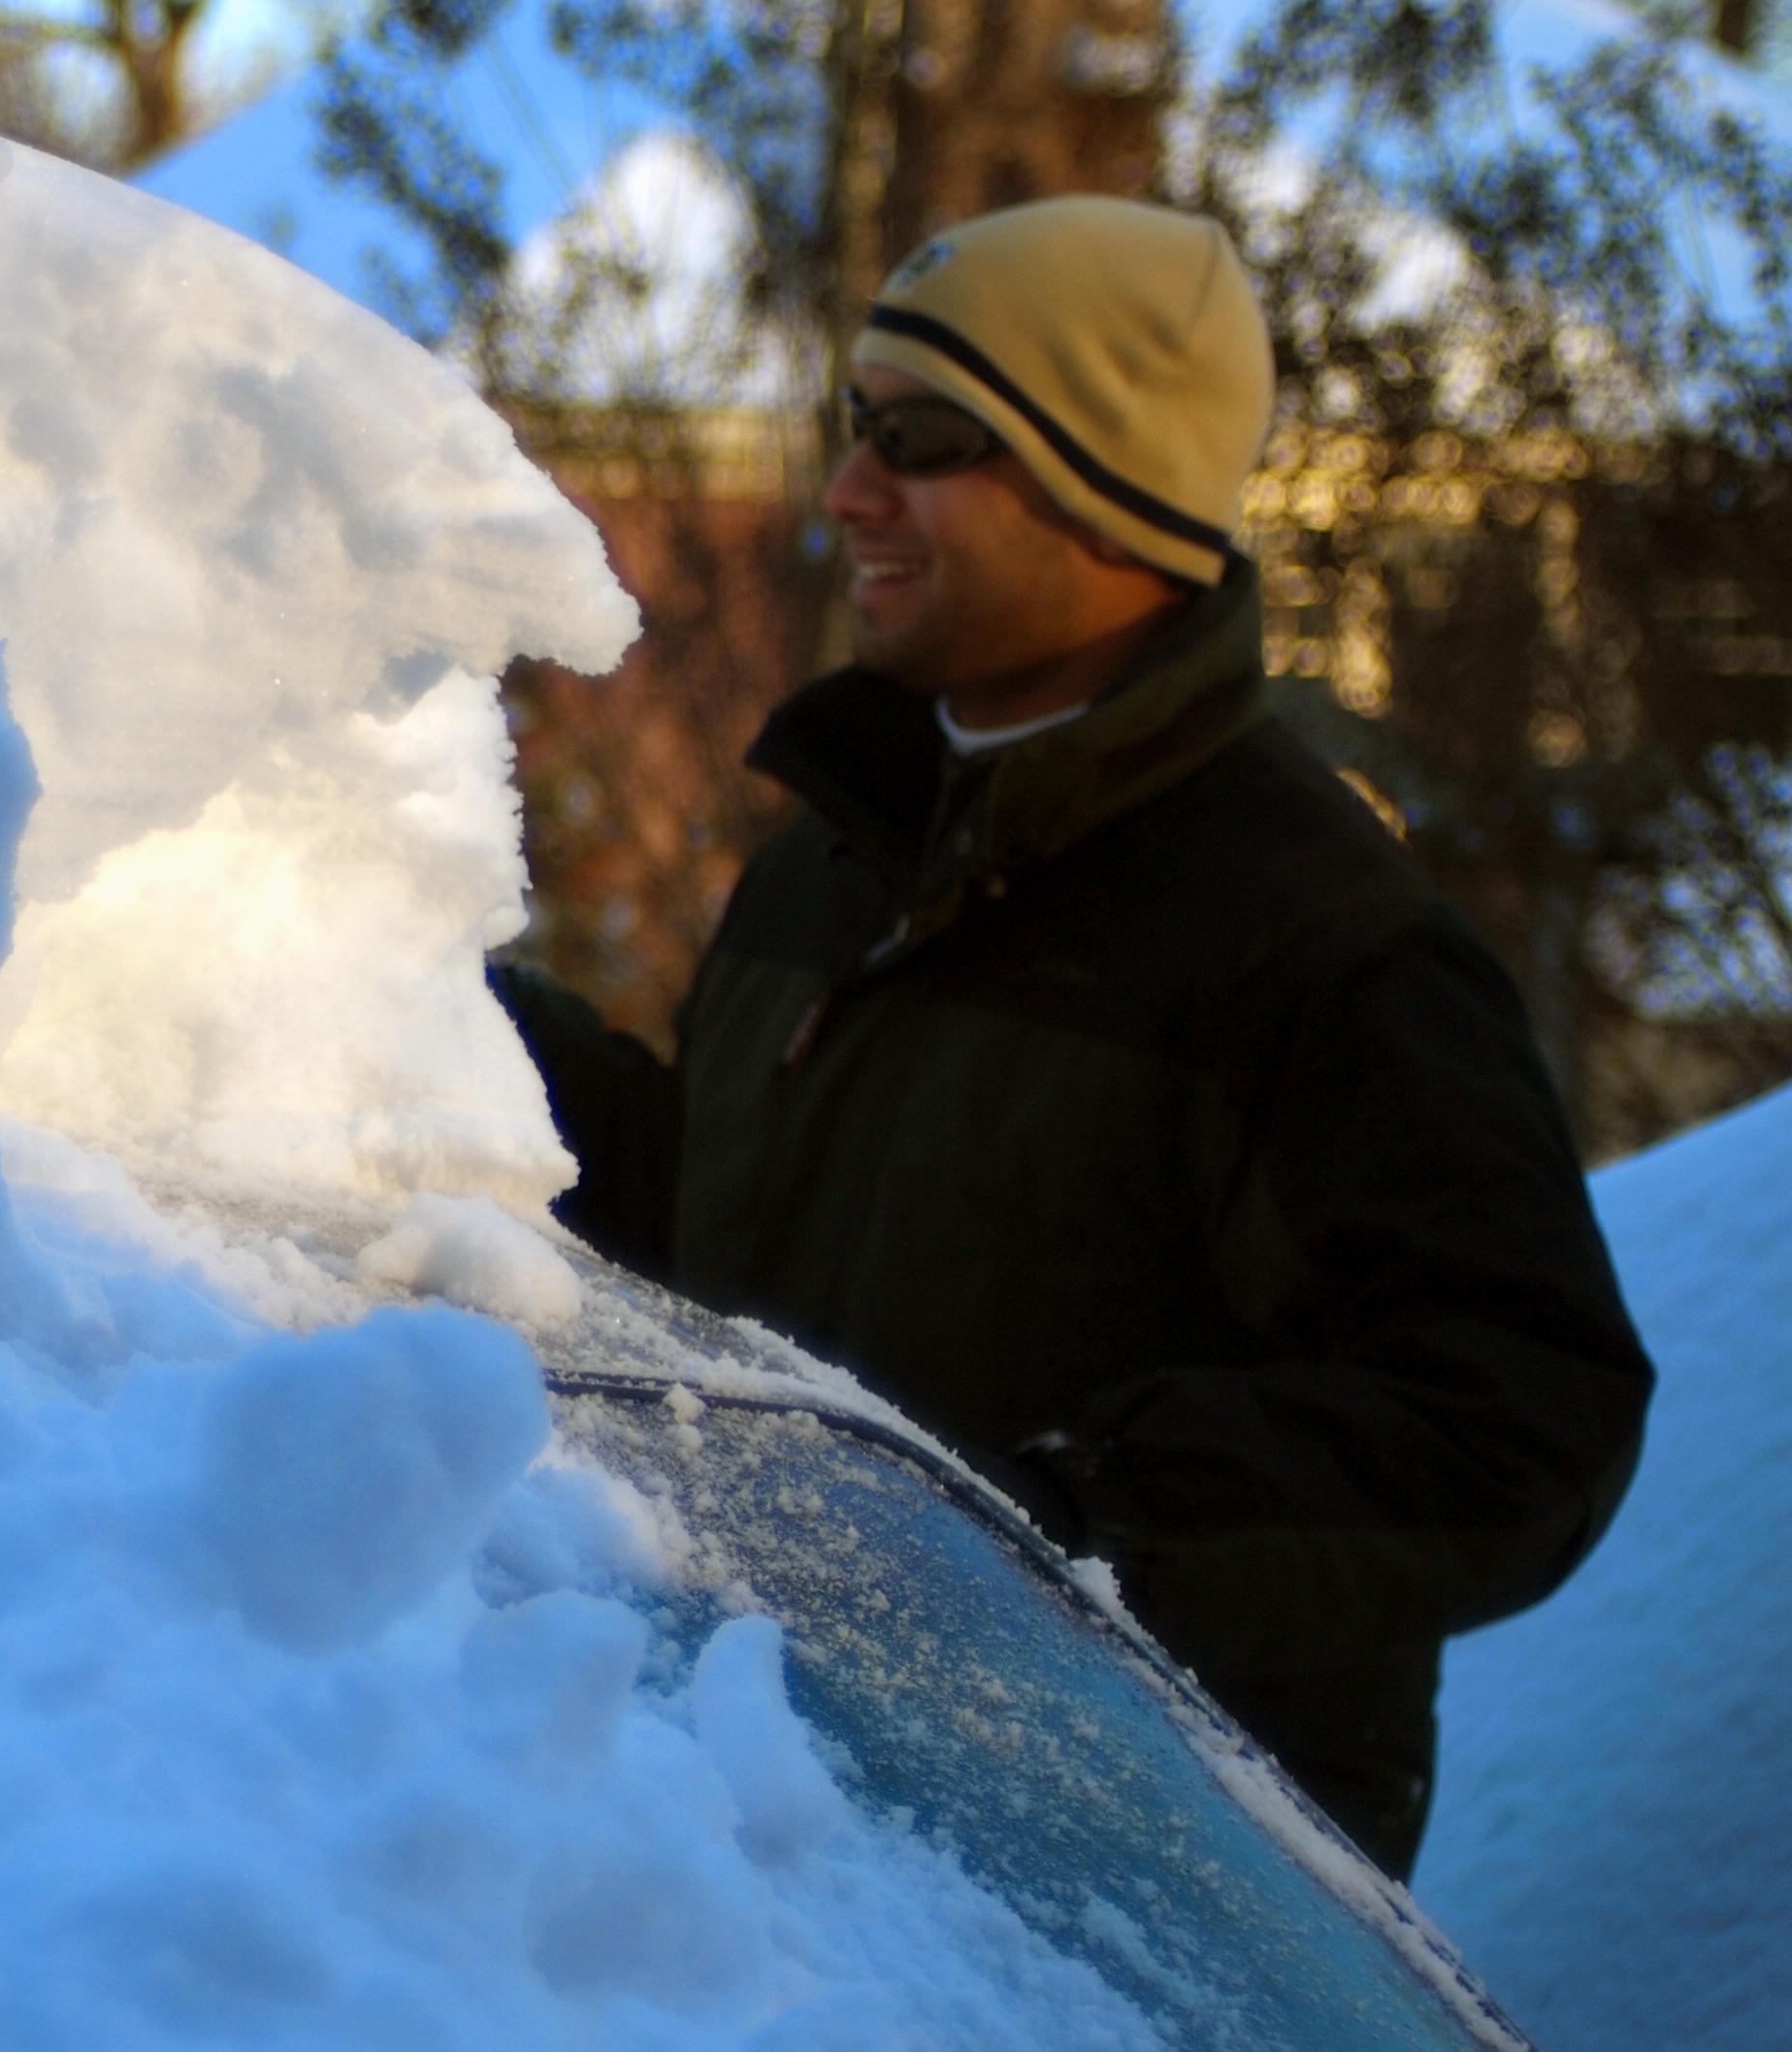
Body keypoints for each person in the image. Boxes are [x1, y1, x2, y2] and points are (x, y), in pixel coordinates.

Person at [492, 196, 1651, 1877]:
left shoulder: (1314, 941)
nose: (850, 490)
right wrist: (449, 1017)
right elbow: (729, 1240)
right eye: (854, 425)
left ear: (1116, 483)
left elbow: (1522, 1418)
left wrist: (1073, 1528)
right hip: (799, 1860)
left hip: (1138, 1953)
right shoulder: (834, 861)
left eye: (928, 437)